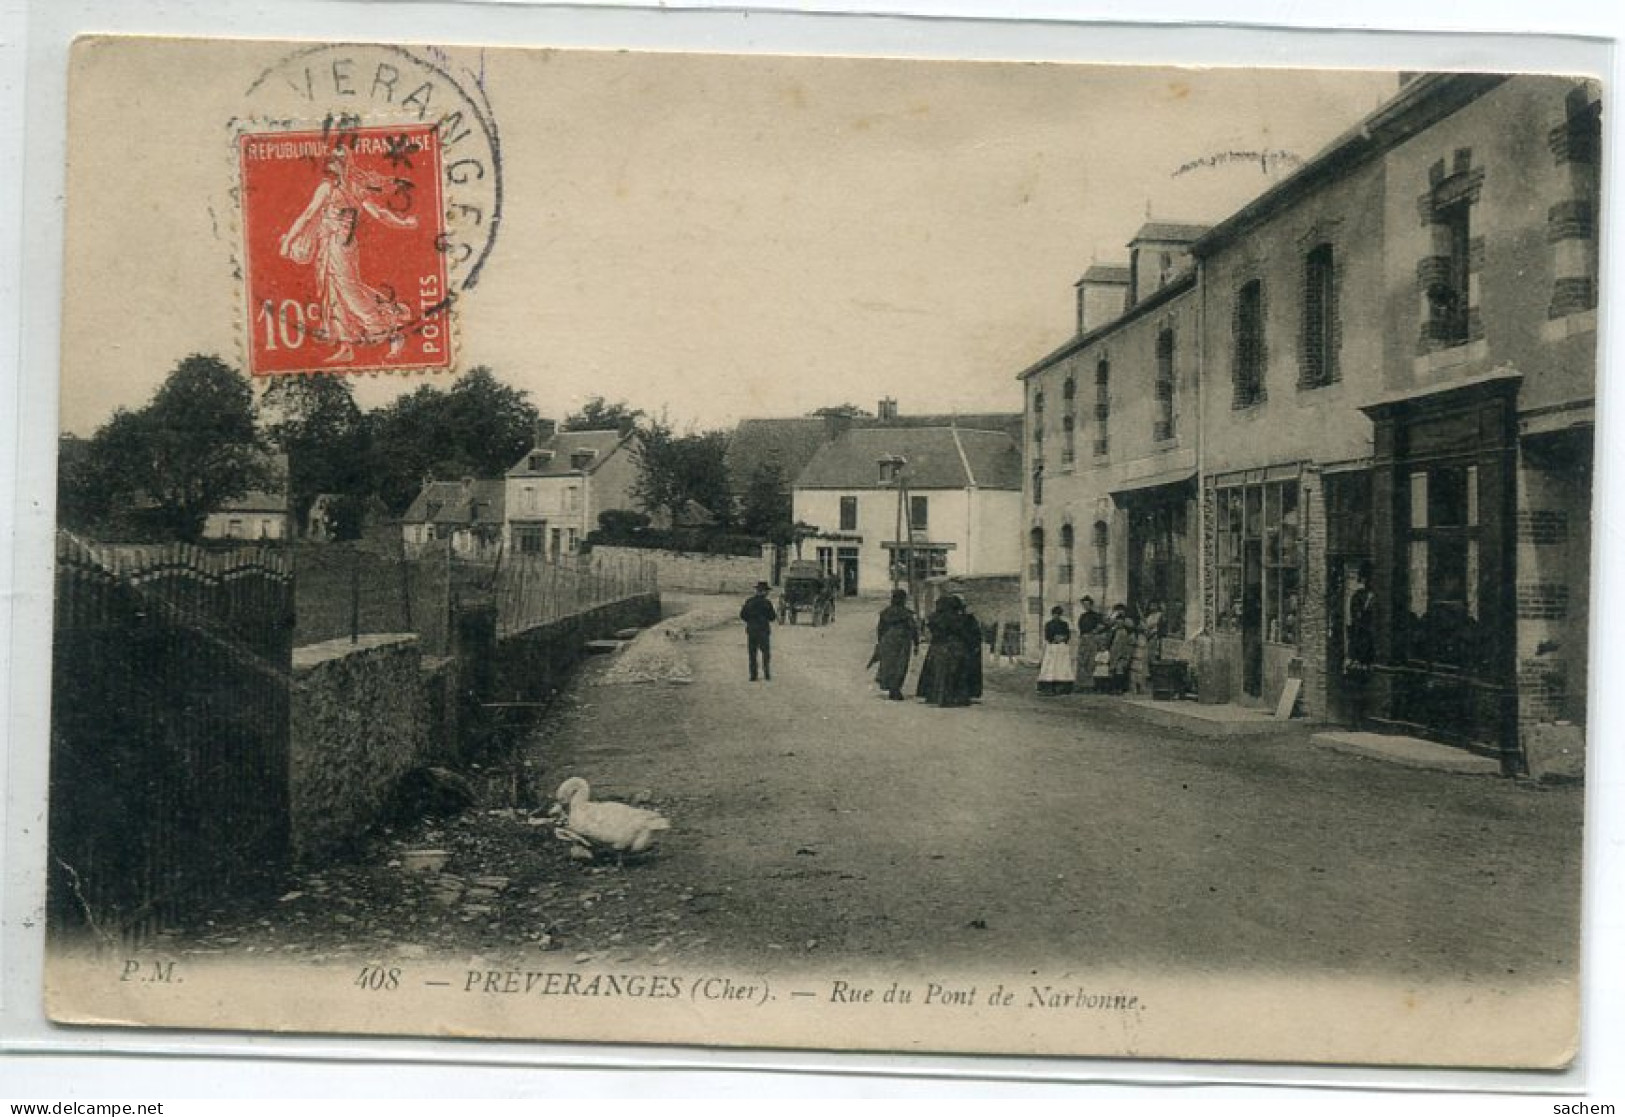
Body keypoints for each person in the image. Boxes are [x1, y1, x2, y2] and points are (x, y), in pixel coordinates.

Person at [279, 145, 418, 364]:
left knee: (350, 291)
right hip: (327, 244)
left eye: (337, 162)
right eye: (332, 162)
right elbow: (308, 215)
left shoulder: (353, 188)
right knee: (332, 294)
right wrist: (289, 241)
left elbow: (377, 212)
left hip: (341, 246)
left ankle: (389, 330)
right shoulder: (328, 188)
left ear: (343, 164)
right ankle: (346, 345)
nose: (332, 166)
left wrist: (403, 223)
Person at [873, 589, 919, 700]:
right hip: (902, 641)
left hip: (888, 640)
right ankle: (896, 689)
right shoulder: (906, 614)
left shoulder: (886, 612)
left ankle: (890, 687)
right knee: (901, 665)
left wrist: (880, 642)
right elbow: (913, 628)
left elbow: (880, 629)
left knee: (889, 664)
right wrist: (916, 643)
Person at [739, 581, 778, 681]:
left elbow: (742, 615)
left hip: (752, 630)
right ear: (764, 592)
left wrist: (750, 621)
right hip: (763, 631)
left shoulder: (749, 601)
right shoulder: (767, 603)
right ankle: (766, 673)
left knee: (752, 653)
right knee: (766, 653)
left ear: (757, 591)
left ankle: (753, 675)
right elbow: (772, 617)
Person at [1037, 605, 1074, 695]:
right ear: (1052, 614)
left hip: (1061, 648)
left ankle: (1062, 688)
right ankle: (1047, 688)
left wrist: (1062, 638)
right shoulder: (1049, 624)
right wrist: (1054, 639)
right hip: (1052, 647)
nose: (1056, 616)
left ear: (1060, 615)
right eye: (1054, 614)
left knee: (1061, 667)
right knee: (1050, 666)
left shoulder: (1064, 624)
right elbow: (1047, 636)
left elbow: (1068, 635)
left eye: (1058, 614)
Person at [957, 595, 985, 702]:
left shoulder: (969, 619)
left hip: (968, 647)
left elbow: (976, 634)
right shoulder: (966, 619)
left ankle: (969, 692)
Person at [1108, 604, 1137, 695]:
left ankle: (1120, 688)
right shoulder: (1114, 624)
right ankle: (1114, 688)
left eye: (1121, 610)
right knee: (1114, 667)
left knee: (1120, 667)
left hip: (1124, 646)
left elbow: (1132, 630)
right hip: (1115, 647)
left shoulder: (1128, 621)